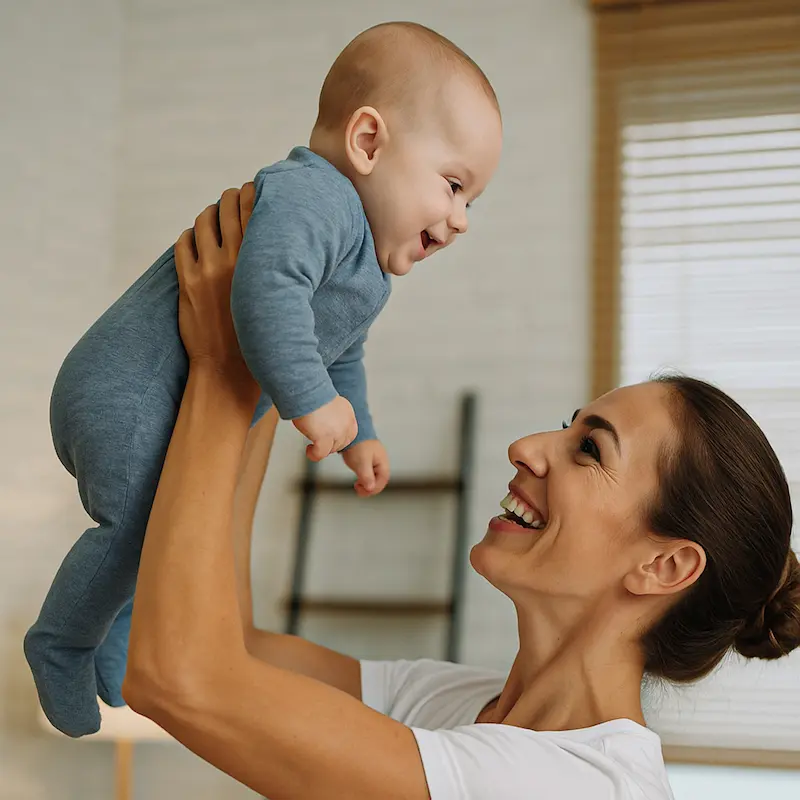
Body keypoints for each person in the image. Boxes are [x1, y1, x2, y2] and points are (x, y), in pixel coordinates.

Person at [120, 186, 800, 799]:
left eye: (589, 449)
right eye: (569, 427)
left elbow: (178, 677)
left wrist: (223, 367)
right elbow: (229, 645)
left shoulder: (582, 786)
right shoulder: (456, 703)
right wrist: (272, 357)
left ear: (665, 565)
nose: (527, 448)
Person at [24, 21, 503, 738]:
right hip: (124, 391)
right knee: (134, 532)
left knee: (168, 529)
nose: (461, 220)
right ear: (369, 143)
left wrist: (358, 429)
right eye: (455, 186)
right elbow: (264, 292)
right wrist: (311, 402)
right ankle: (61, 642)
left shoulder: (364, 267)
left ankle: (116, 638)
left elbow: (341, 353)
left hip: (158, 405)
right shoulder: (316, 196)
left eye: (474, 203)